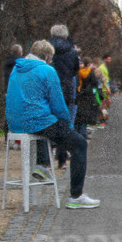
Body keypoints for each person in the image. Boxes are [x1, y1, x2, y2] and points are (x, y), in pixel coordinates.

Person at [5, 40, 99, 209]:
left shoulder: (17, 68)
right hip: (36, 122)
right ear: (48, 57)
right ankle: (76, 196)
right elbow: (58, 104)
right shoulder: (47, 70)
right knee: (79, 144)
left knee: (48, 127)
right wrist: (67, 124)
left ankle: (42, 165)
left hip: (15, 122)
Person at [49, 24, 80, 169]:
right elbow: (75, 71)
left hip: (49, 87)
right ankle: (61, 158)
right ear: (66, 35)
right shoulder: (72, 52)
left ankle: (45, 157)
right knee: (63, 123)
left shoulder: (47, 49)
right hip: (66, 88)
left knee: (47, 121)